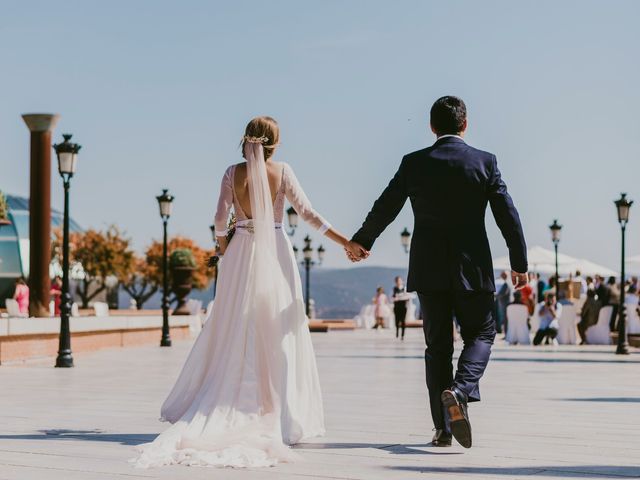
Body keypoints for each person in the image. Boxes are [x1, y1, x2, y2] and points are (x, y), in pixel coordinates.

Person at [134, 117, 352, 468]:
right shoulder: (283, 171)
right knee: (278, 330)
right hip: (276, 250)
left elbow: (220, 216)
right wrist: (345, 241)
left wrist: (223, 247)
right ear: (275, 143)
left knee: (231, 323)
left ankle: (224, 398)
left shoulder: (231, 173)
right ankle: (281, 410)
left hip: (239, 255)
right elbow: (308, 214)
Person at [344, 96, 528, 449]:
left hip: (428, 268)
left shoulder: (414, 163)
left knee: (437, 348)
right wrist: (518, 263)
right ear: (465, 124)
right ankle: (459, 390)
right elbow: (508, 214)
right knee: (482, 334)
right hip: (472, 268)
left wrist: (362, 241)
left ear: (431, 127)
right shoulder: (484, 162)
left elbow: (387, 205)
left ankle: (443, 430)